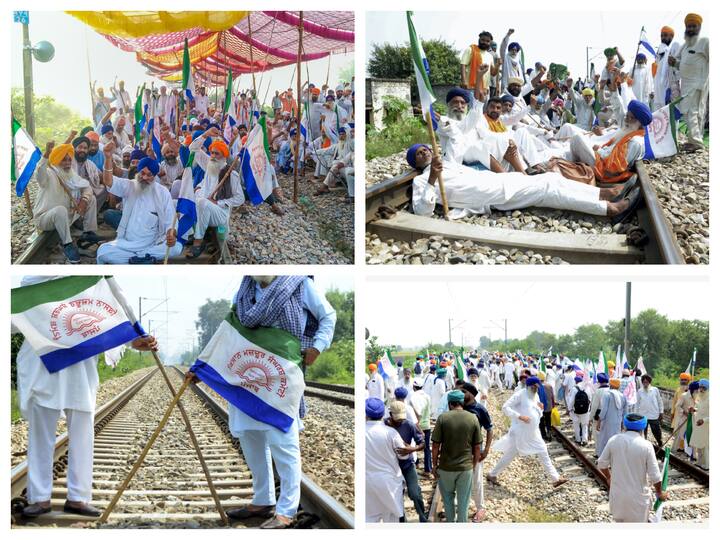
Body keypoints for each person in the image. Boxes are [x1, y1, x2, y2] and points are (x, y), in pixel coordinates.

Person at [15, 276, 157, 518]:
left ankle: (78, 498)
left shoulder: (89, 284)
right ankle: (39, 499)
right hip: (43, 364)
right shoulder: (32, 283)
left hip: (80, 369)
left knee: (83, 434)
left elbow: (104, 320)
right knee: (40, 435)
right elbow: (16, 318)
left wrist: (135, 340)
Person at [209, 276, 335, 529]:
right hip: (247, 373)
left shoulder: (300, 284)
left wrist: (318, 347)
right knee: (250, 438)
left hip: (280, 376)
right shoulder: (244, 288)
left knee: (283, 443)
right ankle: (262, 499)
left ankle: (286, 511)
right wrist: (205, 364)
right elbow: (231, 328)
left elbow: (328, 316)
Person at [406, 144, 639, 223]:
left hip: (500, 182)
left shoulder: (449, 164)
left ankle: (603, 194)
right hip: (491, 195)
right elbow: (423, 211)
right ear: (415, 162)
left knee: (550, 178)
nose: (425, 153)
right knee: (546, 190)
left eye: (426, 149)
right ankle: (610, 209)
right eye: (419, 154)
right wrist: (432, 178)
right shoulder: (420, 180)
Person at [96, 143, 181, 264]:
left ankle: (137, 259)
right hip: (128, 243)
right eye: (142, 173)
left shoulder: (162, 192)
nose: (145, 177)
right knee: (103, 252)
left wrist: (171, 235)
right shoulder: (130, 186)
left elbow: (169, 219)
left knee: (176, 248)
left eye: (149, 175)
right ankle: (143, 260)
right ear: (138, 172)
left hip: (152, 243)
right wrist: (108, 158)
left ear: (155, 176)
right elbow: (108, 181)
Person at [487, 377, 567, 488]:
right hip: (520, 431)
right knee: (511, 454)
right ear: (529, 386)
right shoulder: (520, 394)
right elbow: (505, 407)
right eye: (534, 386)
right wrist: (519, 416)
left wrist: (541, 409)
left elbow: (537, 413)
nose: (536, 388)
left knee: (542, 450)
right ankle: (492, 474)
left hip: (533, 432)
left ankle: (556, 479)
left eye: (537, 387)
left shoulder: (536, 395)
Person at [33, 141, 100, 263]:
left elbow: (87, 187)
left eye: (69, 160)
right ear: (57, 160)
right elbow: (39, 175)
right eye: (64, 160)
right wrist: (46, 155)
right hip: (45, 218)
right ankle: (67, 245)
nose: (68, 163)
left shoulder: (70, 174)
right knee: (60, 210)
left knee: (91, 199)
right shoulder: (50, 173)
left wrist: (84, 201)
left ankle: (88, 233)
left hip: (66, 216)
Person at [186, 127, 246, 259]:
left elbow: (240, 199)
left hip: (219, 214)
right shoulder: (209, 163)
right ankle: (190, 233)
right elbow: (193, 148)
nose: (212, 156)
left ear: (224, 156)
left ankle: (198, 241)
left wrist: (220, 202)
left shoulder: (231, 174)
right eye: (212, 153)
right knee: (185, 201)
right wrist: (206, 134)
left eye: (216, 154)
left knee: (202, 203)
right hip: (202, 208)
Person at [597, 413, 666, 522]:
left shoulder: (614, 440)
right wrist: (660, 493)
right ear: (643, 428)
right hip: (638, 499)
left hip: (618, 496)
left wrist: (609, 478)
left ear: (625, 426)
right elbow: (655, 476)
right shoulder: (646, 445)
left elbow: (601, 464)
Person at [567, 98, 652, 183]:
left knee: (577, 139)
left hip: (604, 172)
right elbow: (612, 151)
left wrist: (599, 150)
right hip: (602, 162)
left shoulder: (635, 142)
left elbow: (616, 167)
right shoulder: (630, 132)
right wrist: (600, 149)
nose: (627, 120)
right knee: (578, 137)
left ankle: (572, 167)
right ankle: (573, 166)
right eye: (627, 116)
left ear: (640, 123)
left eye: (632, 118)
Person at [431, 390, 482, 523]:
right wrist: (474, 465)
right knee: (463, 502)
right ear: (462, 403)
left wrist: (434, 465)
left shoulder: (443, 418)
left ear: (450, 404)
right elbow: (477, 447)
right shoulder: (473, 418)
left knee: (447, 499)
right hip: (465, 469)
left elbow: (435, 445)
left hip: (446, 468)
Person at [669, 13, 709, 152]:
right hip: (686, 84)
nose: (691, 28)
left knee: (691, 112)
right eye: (688, 26)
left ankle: (696, 142)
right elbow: (684, 64)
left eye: (694, 26)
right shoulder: (686, 46)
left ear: (699, 27)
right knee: (688, 112)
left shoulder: (705, 41)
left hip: (697, 84)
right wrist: (675, 63)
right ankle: (693, 140)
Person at [385, 401, 427, 522]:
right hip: (391, 467)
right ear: (390, 414)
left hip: (407, 465)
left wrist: (412, 449)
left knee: (414, 493)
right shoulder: (384, 425)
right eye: (396, 418)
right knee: (397, 496)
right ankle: (402, 520)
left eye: (401, 418)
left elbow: (423, 443)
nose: (399, 421)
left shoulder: (408, 425)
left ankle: (422, 517)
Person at [365, 398, 405, 523]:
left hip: (367, 481)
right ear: (384, 414)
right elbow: (404, 455)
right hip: (390, 483)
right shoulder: (391, 433)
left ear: (366, 414)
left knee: (369, 518)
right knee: (392, 518)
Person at [460, 383, 494, 522]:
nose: (461, 394)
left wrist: (486, 450)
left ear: (472, 394)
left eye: (464, 391)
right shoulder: (459, 406)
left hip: (475, 450)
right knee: (461, 479)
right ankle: (462, 507)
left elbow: (489, 429)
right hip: (460, 450)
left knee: (477, 480)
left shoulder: (480, 409)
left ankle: (480, 508)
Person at [596, 378, 627, 458]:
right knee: (615, 440)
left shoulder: (607, 394)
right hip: (617, 423)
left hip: (607, 422)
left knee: (604, 440)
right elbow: (625, 412)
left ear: (611, 385)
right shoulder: (623, 396)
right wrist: (623, 424)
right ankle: (613, 458)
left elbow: (604, 410)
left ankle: (602, 458)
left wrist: (599, 421)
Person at [653, 26, 681, 111]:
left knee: (671, 119)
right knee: (659, 121)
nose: (662, 38)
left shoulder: (673, 49)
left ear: (671, 37)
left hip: (668, 92)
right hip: (657, 95)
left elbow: (678, 71)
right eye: (661, 35)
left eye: (665, 35)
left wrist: (673, 91)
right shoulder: (658, 56)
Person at [410, 378, 433, 474]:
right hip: (426, 425)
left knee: (412, 446)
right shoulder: (427, 396)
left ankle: (414, 465)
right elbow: (430, 409)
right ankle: (428, 469)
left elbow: (414, 412)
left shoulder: (412, 397)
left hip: (415, 426)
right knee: (427, 448)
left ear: (414, 387)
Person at [636, 374, 664, 446]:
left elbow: (659, 401)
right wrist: (636, 414)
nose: (645, 384)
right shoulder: (639, 391)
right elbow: (637, 403)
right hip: (643, 415)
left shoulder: (655, 390)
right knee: (642, 431)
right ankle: (643, 444)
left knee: (656, 431)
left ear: (649, 382)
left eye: (647, 382)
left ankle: (660, 442)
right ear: (642, 383)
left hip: (653, 414)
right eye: (644, 382)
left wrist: (661, 412)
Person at [673, 380, 698, 453]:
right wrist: (684, 412)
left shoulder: (698, 396)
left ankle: (691, 454)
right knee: (679, 435)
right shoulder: (684, 396)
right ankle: (673, 450)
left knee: (691, 436)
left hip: (693, 420)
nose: (698, 392)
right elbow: (677, 406)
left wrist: (695, 410)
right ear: (693, 389)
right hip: (683, 419)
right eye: (696, 390)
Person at [689, 379, 709, 469]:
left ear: (708, 389)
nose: (701, 389)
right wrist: (694, 409)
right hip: (698, 425)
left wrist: (704, 420)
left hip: (707, 426)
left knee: (706, 446)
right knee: (699, 444)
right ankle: (700, 462)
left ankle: (707, 465)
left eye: (703, 388)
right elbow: (699, 409)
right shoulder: (700, 397)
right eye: (700, 387)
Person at [670, 373, 692, 451]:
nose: (683, 381)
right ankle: (678, 446)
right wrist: (672, 412)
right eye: (682, 379)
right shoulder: (678, 389)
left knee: (684, 431)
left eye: (685, 380)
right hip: (677, 414)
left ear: (688, 381)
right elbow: (674, 402)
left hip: (686, 415)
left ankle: (683, 448)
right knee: (677, 430)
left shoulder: (691, 390)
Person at [568, 375, 591, 446]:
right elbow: (590, 399)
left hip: (576, 411)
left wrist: (570, 409)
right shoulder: (587, 388)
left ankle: (578, 439)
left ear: (576, 381)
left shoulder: (574, 389)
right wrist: (588, 408)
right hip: (585, 411)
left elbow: (571, 401)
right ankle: (584, 440)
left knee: (576, 425)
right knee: (584, 425)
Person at [538, 371, 555, 442]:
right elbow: (552, 396)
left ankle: (543, 435)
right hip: (548, 406)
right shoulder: (549, 385)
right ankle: (549, 432)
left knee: (541, 421)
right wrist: (553, 404)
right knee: (548, 420)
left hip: (540, 407)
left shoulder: (537, 386)